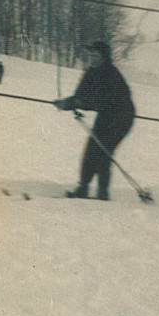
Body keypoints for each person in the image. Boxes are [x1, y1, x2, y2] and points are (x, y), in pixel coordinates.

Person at [53, 40, 135, 200]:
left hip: (122, 115)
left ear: (104, 57)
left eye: (96, 55)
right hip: (106, 114)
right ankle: (83, 187)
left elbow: (97, 100)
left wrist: (75, 103)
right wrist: (66, 103)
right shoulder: (90, 73)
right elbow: (80, 96)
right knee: (92, 147)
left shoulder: (111, 74)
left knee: (103, 150)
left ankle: (102, 193)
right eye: (90, 55)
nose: (92, 58)